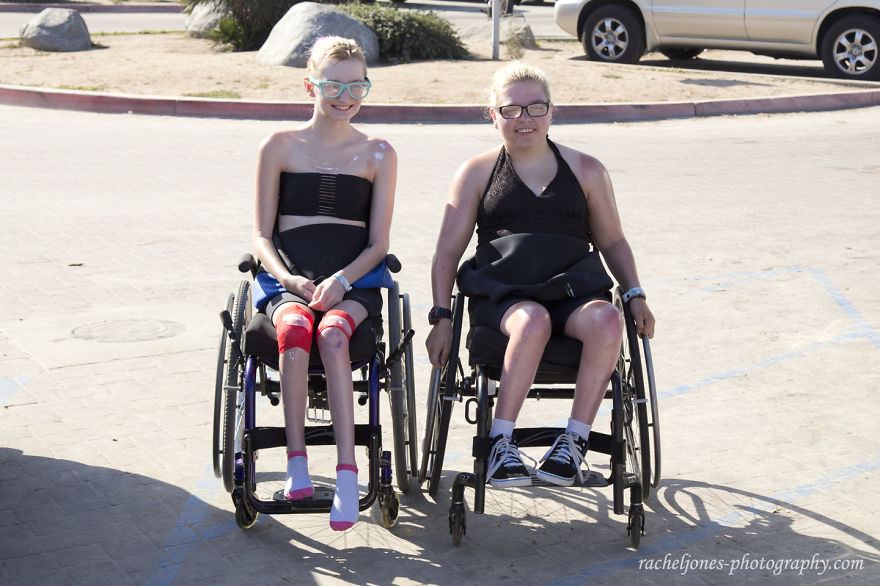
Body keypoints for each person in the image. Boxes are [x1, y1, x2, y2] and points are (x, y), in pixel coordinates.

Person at [425, 62, 655, 489]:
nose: (524, 119)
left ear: (552, 112)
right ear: (492, 115)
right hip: (503, 294)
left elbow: (613, 242)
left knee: (608, 318)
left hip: (571, 289)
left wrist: (635, 293)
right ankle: (499, 442)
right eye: (511, 110)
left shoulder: (586, 169)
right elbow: (446, 252)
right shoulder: (476, 172)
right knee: (533, 320)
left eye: (535, 108)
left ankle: (574, 443)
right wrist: (440, 317)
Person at [253, 36, 397, 530]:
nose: (346, 95)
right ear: (310, 84)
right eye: (334, 84)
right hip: (290, 279)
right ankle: (297, 466)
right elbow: (260, 234)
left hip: (351, 282)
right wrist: (287, 278)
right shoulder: (280, 146)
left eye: (358, 84)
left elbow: (378, 244)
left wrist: (339, 279)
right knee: (294, 333)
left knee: (334, 336)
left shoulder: (378, 152)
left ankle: (348, 475)